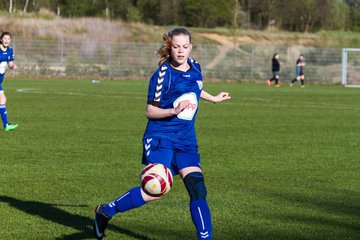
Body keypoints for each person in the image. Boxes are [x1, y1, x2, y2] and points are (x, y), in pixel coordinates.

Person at [93, 27, 231, 240]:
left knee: (197, 188)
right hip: (160, 137)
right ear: (170, 47)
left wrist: (213, 98)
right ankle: (106, 211)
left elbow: (195, 87)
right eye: (176, 46)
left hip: (185, 139)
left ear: (191, 47)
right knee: (155, 191)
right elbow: (150, 111)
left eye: (185, 47)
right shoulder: (162, 75)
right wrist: (174, 111)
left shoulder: (196, 66)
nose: (181, 51)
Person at [0, 31, 18, 131]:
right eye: (5, 38)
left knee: (2, 100)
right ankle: (6, 125)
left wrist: (13, 66)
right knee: (2, 99)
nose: (6, 40)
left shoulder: (10, 50)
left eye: (8, 39)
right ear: (1, 39)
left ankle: (6, 125)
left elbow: (10, 64)